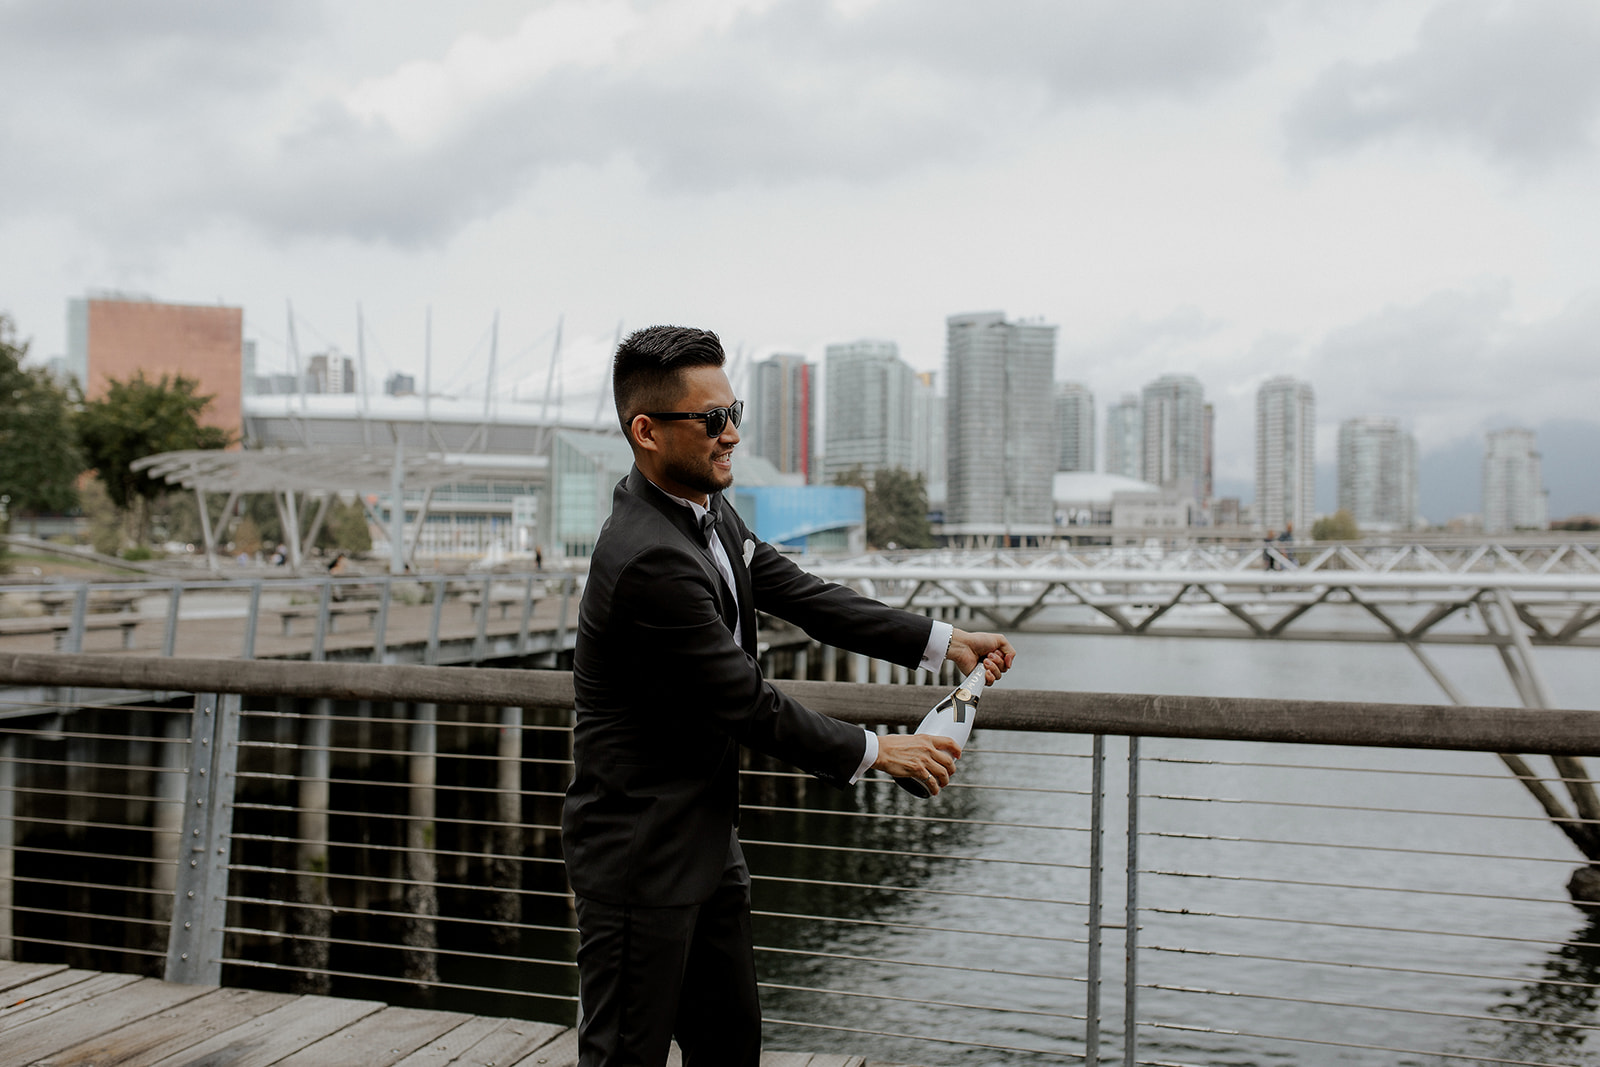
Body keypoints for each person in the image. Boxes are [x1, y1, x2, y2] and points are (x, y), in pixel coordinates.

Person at [562, 326, 1015, 1067]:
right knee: (624, 1056)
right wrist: (881, 750)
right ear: (646, 432)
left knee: (731, 1044)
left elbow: (803, 594)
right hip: (639, 857)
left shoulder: (708, 514)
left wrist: (940, 641)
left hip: (707, 841)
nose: (731, 431)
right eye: (711, 419)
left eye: (732, 410)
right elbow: (745, 701)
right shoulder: (647, 556)